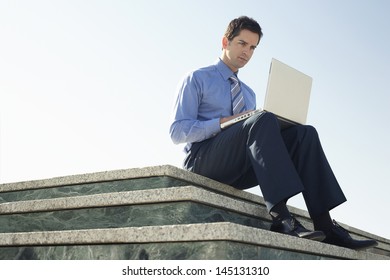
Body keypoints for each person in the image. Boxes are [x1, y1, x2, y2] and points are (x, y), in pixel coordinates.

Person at [169, 16, 377, 250]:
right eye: (241, 43)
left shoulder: (248, 93)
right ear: (225, 41)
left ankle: (325, 224)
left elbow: (254, 136)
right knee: (261, 118)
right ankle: (281, 216)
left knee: (304, 134)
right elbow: (177, 132)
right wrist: (225, 122)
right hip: (202, 162)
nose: (246, 52)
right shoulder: (196, 78)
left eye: (252, 47)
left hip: (238, 167)